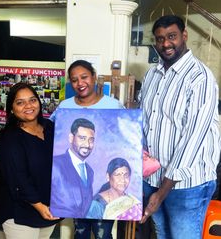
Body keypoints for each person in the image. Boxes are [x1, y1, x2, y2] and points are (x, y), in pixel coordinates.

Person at [139, 15, 221, 239]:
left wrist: (162, 193)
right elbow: (144, 122)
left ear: (184, 36)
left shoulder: (200, 78)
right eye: (159, 39)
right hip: (153, 178)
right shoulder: (151, 75)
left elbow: (192, 139)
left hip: (187, 185)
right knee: (162, 235)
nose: (165, 43)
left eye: (172, 36)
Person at [50, 59, 124, 239]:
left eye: (84, 77)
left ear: (94, 77)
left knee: (103, 233)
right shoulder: (65, 107)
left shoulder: (113, 106)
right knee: (80, 231)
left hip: (102, 195)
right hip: (74, 199)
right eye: (74, 80)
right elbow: (49, 132)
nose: (80, 83)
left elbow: (125, 140)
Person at [0, 82, 60, 239]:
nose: (28, 106)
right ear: (11, 108)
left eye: (32, 100)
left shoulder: (50, 127)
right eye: (20, 102)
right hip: (19, 211)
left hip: (48, 206)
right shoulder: (9, 138)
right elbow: (18, 178)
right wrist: (39, 206)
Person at [50, 118, 95, 218]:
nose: (87, 144)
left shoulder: (90, 171)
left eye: (91, 140)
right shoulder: (56, 164)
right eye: (82, 138)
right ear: (71, 138)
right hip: (51, 220)